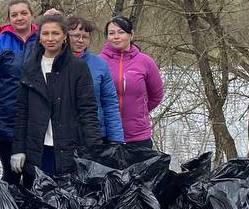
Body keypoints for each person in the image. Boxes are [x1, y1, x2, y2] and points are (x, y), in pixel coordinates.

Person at [11, 11, 101, 179]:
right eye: (45, 33)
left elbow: (88, 111)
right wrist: (18, 149)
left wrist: (93, 151)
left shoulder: (78, 68)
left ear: (64, 36)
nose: (50, 38)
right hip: (37, 148)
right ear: (39, 37)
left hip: (70, 148)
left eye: (55, 33)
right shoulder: (30, 68)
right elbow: (22, 112)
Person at [0, 0, 39, 184]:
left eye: (24, 13)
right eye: (14, 15)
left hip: (37, 120)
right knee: (11, 174)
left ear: (32, 15)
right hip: (6, 119)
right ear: (8, 19)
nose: (19, 18)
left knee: (34, 174)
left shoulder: (43, 41)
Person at [99, 15, 164, 154]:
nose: (116, 36)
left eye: (121, 32)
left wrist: (140, 112)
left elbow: (156, 95)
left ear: (131, 34)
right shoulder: (98, 62)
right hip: (106, 136)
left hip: (138, 136)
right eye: (111, 33)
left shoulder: (145, 62)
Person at [66, 14, 124, 143]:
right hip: (64, 136)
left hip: (95, 134)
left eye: (85, 37)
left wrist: (116, 140)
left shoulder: (99, 64)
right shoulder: (55, 62)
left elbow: (109, 103)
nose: (80, 40)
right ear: (65, 36)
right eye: (76, 36)